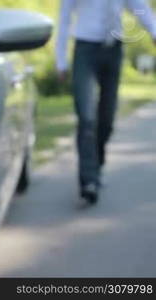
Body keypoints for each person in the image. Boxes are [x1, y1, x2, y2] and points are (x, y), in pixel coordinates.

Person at [56, 0, 156, 204]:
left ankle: (96, 164)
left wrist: (154, 32)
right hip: (85, 50)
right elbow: (64, 18)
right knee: (86, 118)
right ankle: (89, 181)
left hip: (113, 50)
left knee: (107, 119)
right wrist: (61, 61)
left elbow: (140, 7)